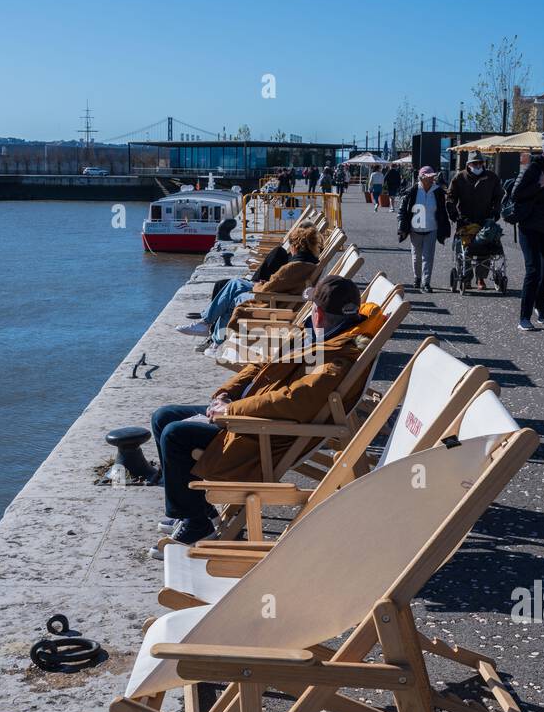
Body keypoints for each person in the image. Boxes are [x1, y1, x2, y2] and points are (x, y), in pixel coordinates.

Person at [149, 275, 374, 550]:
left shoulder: (339, 356)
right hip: (247, 413)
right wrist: (226, 393)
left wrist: (231, 410)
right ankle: (196, 508)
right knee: (163, 417)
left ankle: (197, 526)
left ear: (318, 312)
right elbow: (262, 365)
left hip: (262, 432)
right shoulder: (314, 337)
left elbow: (293, 401)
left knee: (175, 435)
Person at [174, 223, 322, 343]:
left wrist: (259, 284)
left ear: (295, 245)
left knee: (233, 297)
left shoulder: (293, 267)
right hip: (279, 297)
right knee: (234, 283)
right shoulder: (311, 264)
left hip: (272, 303)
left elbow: (264, 291)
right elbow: (278, 284)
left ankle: (213, 335)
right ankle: (207, 325)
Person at [508, 132, 544, 332]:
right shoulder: (532, 169)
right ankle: (523, 317)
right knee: (533, 271)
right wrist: (538, 185)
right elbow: (516, 195)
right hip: (530, 228)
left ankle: (540, 307)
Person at [446, 152, 503, 287]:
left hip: (485, 220)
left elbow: (498, 196)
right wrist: (453, 213)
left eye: (480, 163)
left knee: (485, 251)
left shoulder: (491, 177)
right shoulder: (459, 177)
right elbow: (450, 197)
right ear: (468, 164)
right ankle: (465, 278)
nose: (477, 165)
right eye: (474, 163)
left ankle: (481, 278)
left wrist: (496, 211)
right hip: (465, 220)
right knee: (465, 251)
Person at [397, 165, 450, 292]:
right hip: (415, 229)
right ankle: (417, 278)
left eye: (432, 177)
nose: (431, 179)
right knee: (416, 256)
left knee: (428, 257)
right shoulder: (412, 191)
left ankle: (426, 283)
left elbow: (443, 210)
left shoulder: (438, 192)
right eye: (428, 177)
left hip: (432, 228)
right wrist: (402, 227)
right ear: (421, 178)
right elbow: (402, 210)